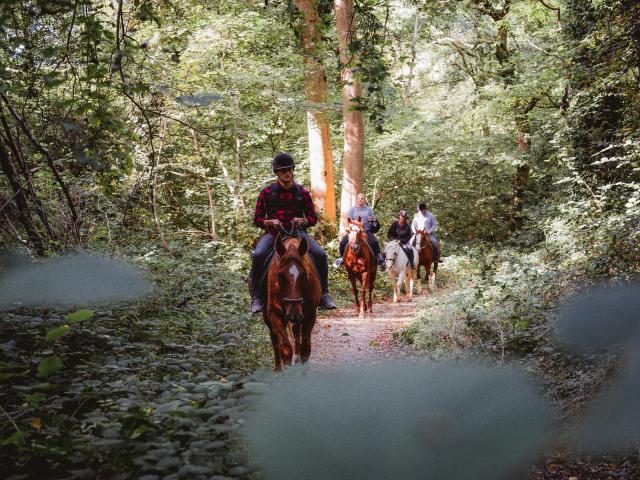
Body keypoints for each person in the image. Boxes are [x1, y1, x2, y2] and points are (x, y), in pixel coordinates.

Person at [249, 152, 337, 314]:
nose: (288, 173)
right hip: (274, 235)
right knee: (259, 255)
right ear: (277, 173)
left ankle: (324, 293)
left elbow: (312, 218)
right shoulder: (266, 193)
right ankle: (256, 297)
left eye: (290, 170)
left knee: (320, 255)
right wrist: (270, 222)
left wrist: (302, 221)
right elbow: (257, 219)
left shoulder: (302, 193)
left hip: (297, 233)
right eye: (283, 171)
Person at [334, 193, 385, 271]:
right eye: (359, 198)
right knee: (343, 242)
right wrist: (351, 229)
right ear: (356, 200)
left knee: (374, 241)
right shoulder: (352, 210)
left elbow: (374, 220)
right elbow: (349, 221)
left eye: (362, 199)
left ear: (364, 200)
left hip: (366, 230)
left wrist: (372, 220)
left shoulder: (369, 210)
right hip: (354, 231)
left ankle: (380, 259)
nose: (360, 200)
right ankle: (341, 258)